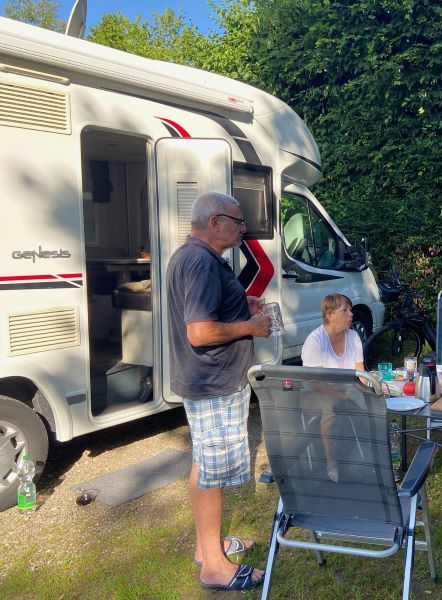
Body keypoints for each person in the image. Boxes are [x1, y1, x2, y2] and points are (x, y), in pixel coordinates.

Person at [167, 192, 272, 591]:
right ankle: (213, 566)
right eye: (238, 221)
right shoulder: (202, 263)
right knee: (212, 473)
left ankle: (205, 546)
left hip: (203, 380)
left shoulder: (191, 257)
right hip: (213, 382)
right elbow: (200, 332)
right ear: (215, 222)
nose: (243, 229)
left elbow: (203, 312)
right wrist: (250, 326)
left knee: (203, 465)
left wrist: (238, 302)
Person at [301, 294, 365, 481]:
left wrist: (372, 390)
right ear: (329, 314)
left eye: (350, 310)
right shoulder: (315, 341)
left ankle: (367, 455)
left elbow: (360, 372)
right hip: (316, 392)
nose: (351, 314)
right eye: (344, 310)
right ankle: (331, 463)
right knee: (331, 409)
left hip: (347, 389)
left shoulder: (353, 337)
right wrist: (342, 395)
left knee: (376, 404)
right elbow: (315, 382)